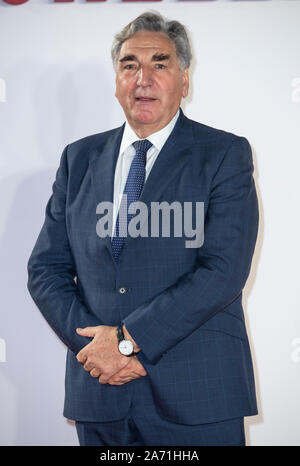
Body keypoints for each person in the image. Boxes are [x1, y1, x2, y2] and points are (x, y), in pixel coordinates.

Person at [27, 11, 259, 446]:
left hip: (196, 397)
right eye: (129, 65)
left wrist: (128, 343)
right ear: (116, 81)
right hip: (101, 396)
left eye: (160, 63)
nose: (143, 78)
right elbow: (45, 271)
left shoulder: (225, 154)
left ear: (184, 81)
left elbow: (223, 270)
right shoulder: (78, 159)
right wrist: (97, 351)